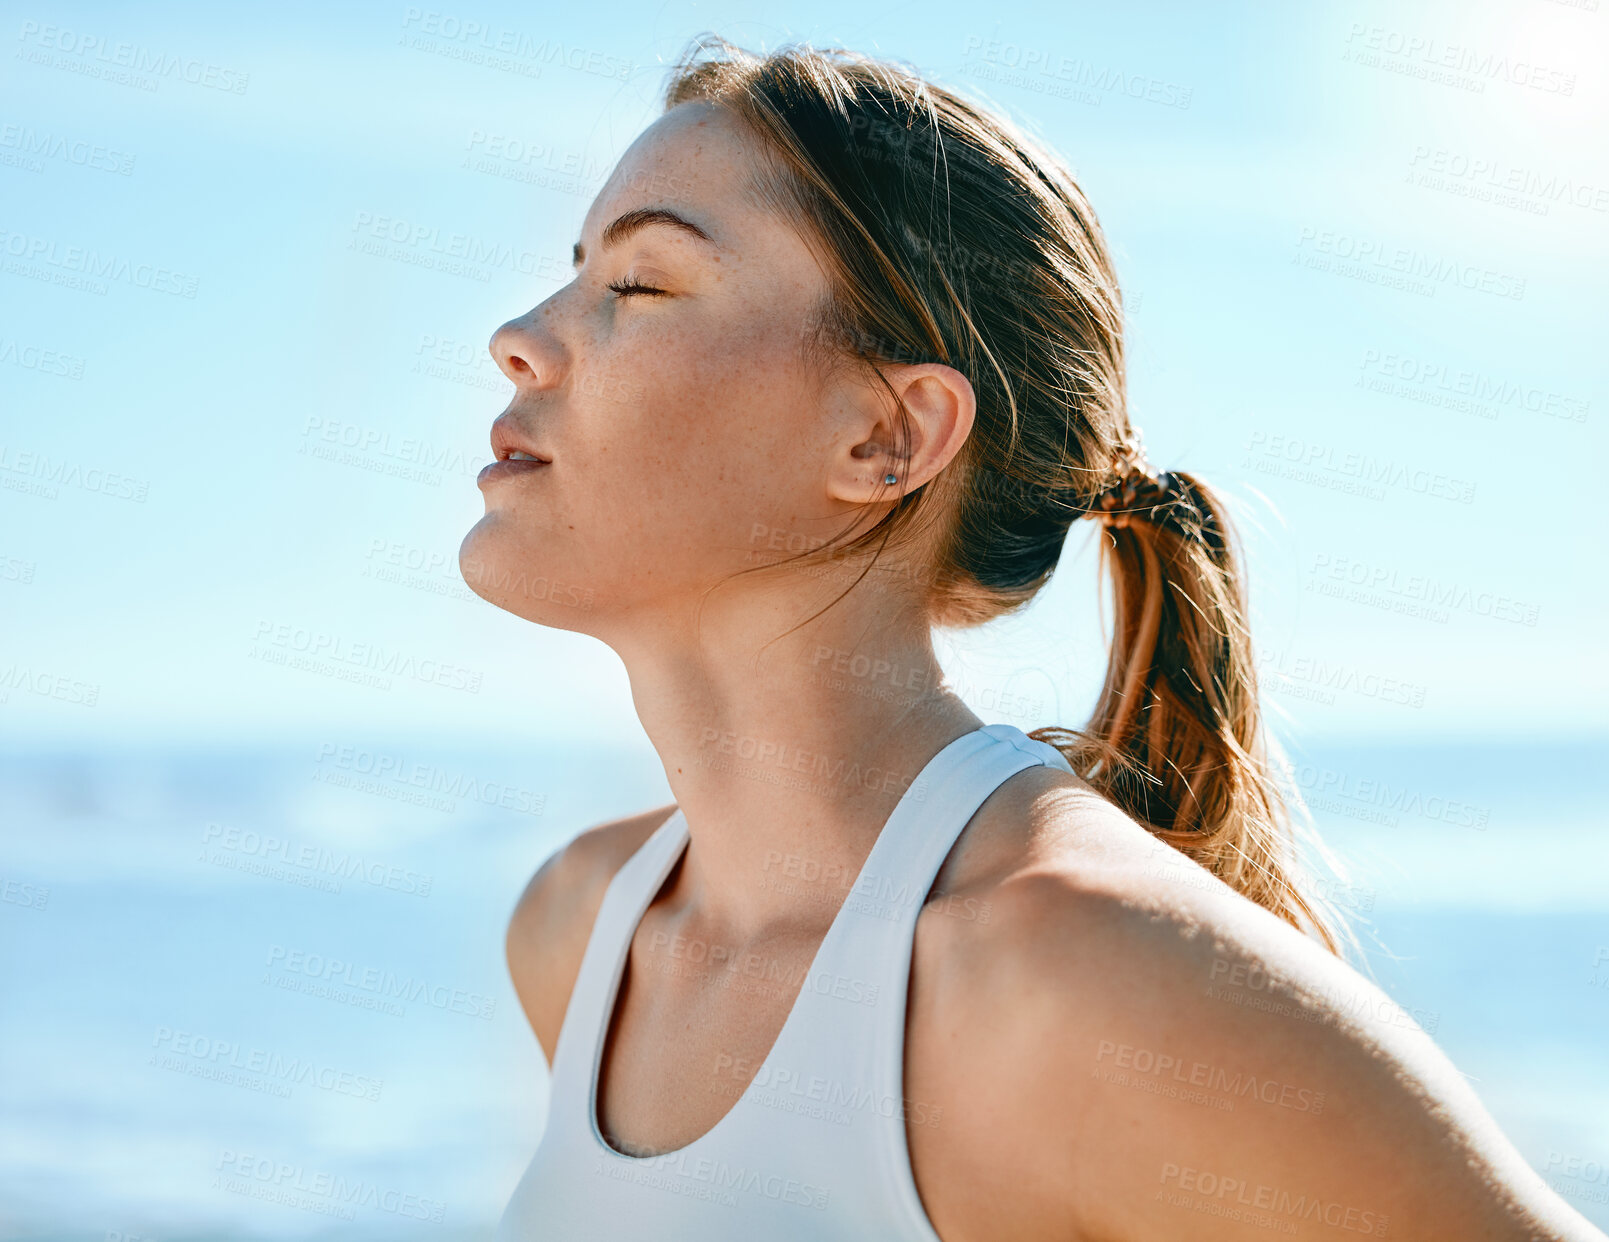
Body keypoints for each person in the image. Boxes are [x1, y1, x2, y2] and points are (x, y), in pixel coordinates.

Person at [461, 33, 1605, 1242]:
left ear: (884, 439)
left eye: (637, 284)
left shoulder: (1081, 979)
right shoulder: (581, 931)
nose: (521, 334)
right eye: (571, 270)